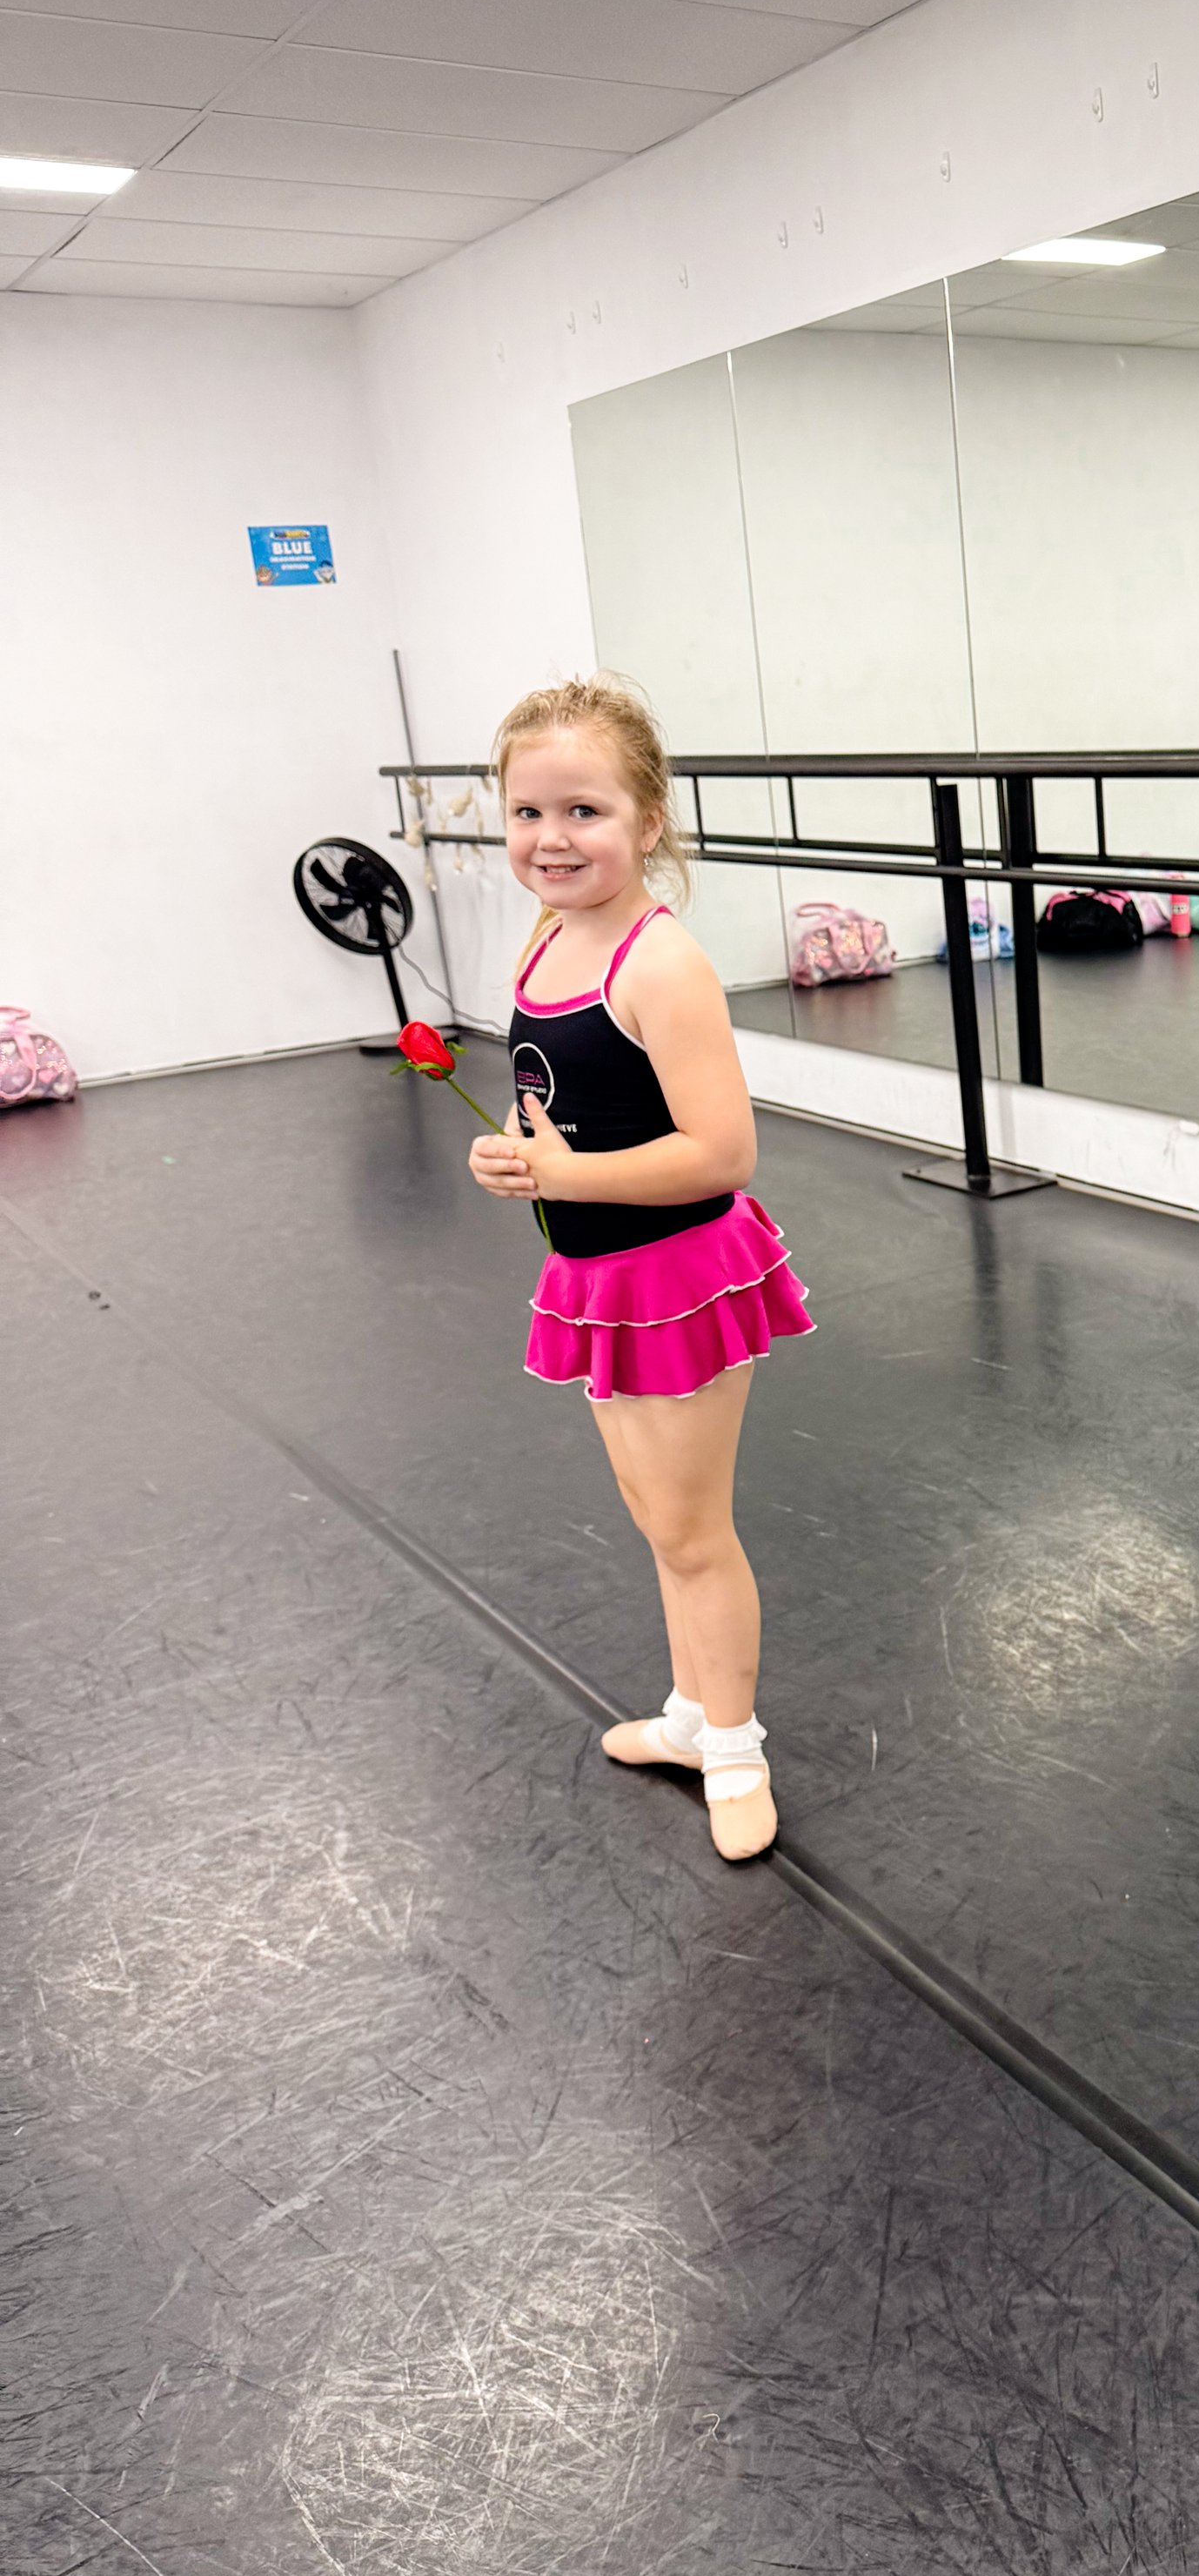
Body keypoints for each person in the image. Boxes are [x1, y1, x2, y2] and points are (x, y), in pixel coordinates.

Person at [468, 677, 813, 1862]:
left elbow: (722, 1152)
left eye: (584, 812)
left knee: (693, 1527)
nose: (550, 840)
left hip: (678, 1273)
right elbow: (564, 1110)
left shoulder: (661, 965)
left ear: (648, 822)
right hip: (595, 1271)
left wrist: (567, 1179)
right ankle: (685, 1711)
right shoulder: (545, 934)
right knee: (653, 1520)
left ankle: (734, 1745)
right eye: (527, 813)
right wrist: (521, 1158)